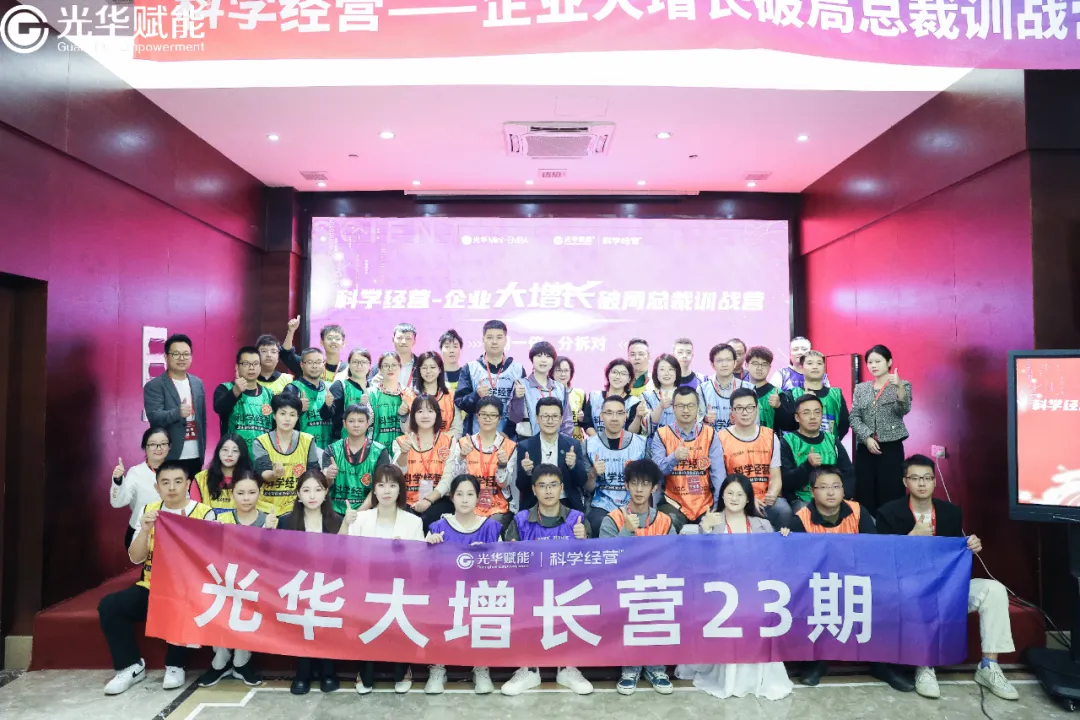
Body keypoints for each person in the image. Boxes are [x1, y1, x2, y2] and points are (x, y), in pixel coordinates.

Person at [876, 455, 1020, 701]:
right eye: (915, 478)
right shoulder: (888, 513)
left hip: (946, 588)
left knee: (993, 590)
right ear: (905, 482)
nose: (922, 483)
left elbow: (954, 556)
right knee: (916, 592)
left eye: (927, 478)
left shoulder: (950, 512)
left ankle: (989, 666)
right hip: (907, 591)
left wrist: (970, 545)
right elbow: (883, 563)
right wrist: (911, 538)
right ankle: (924, 665)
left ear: (935, 481)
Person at [790, 466, 913, 692]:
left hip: (857, 578)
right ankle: (816, 662)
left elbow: (872, 549)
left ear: (843, 489)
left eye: (836, 486)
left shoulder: (857, 511)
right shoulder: (800, 519)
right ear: (812, 491)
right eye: (823, 487)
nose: (831, 492)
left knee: (886, 594)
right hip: (820, 583)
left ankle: (882, 664)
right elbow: (797, 563)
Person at [98, 461, 214, 695]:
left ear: (188, 484)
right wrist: (144, 530)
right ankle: (130, 666)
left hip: (187, 589)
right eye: (165, 482)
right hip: (152, 585)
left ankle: (175, 664)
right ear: (157, 487)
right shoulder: (148, 511)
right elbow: (135, 557)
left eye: (178, 482)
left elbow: (210, 560)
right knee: (110, 606)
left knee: (181, 603)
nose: (172, 487)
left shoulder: (204, 513)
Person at [676, 474, 794, 700]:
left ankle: (757, 679)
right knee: (734, 613)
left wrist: (783, 538)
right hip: (721, 592)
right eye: (729, 493)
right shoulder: (712, 521)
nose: (734, 498)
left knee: (758, 612)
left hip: (755, 590)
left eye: (740, 494)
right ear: (722, 495)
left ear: (748, 498)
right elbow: (698, 559)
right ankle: (729, 678)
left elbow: (772, 558)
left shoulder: (762, 524)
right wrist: (705, 530)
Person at [500, 464, 593, 696]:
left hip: (567, 590)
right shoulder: (521, 520)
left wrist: (584, 540)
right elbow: (508, 565)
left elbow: (592, 564)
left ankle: (568, 667)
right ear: (534, 490)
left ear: (561, 488)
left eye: (553, 485)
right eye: (542, 486)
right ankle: (529, 669)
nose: (548, 491)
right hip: (530, 591)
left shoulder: (578, 520)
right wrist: (512, 552)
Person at [598, 459, 676, 696]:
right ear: (626, 486)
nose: (639, 489)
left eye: (645, 484)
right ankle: (630, 668)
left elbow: (673, 559)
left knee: (661, 601)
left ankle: (656, 667)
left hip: (656, 586)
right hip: (622, 586)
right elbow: (606, 561)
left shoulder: (665, 521)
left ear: (654, 487)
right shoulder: (612, 519)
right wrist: (626, 531)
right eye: (634, 483)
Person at [346, 464, 424, 694]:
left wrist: (403, 553)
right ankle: (364, 670)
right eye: (381, 485)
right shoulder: (360, 519)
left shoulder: (413, 522)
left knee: (401, 612)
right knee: (366, 613)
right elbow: (350, 557)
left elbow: (420, 565)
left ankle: (402, 668)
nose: (386, 491)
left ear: (400, 489)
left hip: (401, 587)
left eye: (392, 485)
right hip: (367, 587)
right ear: (374, 490)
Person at [424, 475, 502, 695]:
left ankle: (481, 666)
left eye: (470, 494)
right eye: (459, 494)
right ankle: (438, 667)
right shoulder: (438, 527)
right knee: (438, 611)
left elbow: (502, 568)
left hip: (479, 593)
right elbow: (424, 567)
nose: (465, 499)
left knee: (484, 612)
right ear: (452, 497)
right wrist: (429, 546)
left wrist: (487, 555)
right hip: (446, 593)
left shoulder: (491, 527)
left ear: (478, 497)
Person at [198, 470, 274, 689]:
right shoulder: (221, 520)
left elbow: (274, 560)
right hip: (226, 582)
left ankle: (242, 662)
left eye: (252, 492)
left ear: (260, 493)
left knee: (249, 601)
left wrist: (270, 533)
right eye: (240, 493)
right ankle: (220, 661)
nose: (246, 498)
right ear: (232, 494)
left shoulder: (269, 520)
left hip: (257, 584)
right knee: (219, 598)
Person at [277, 470, 347, 695]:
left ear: (326, 493)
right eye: (306, 490)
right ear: (298, 494)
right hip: (298, 587)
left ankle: (328, 671)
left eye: (318, 489)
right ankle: (303, 673)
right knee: (303, 622)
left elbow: (345, 558)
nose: (312, 495)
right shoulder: (286, 522)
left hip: (329, 587)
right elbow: (276, 559)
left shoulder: (337, 521)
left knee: (326, 621)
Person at [651, 386, 724, 533]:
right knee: (666, 525)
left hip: (705, 501)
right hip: (673, 501)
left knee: (718, 527)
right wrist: (674, 457)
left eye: (690, 406)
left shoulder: (710, 434)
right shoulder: (662, 434)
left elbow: (718, 473)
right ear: (673, 408)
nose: (686, 410)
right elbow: (656, 472)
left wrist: (718, 506)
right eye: (680, 406)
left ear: (698, 408)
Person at [850, 344, 912, 513]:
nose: (873, 365)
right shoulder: (861, 388)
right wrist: (867, 437)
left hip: (891, 447)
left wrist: (899, 387)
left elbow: (903, 410)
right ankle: (867, 525)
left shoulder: (903, 385)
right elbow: (854, 417)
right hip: (866, 448)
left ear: (889, 362)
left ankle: (890, 525)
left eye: (878, 361)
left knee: (891, 491)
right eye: (870, 362)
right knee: (865, 492)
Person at [718, 388, 791, 530]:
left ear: (757, 409)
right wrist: (749, 499)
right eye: (739, 408)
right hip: (736, 497)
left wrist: (772, 494)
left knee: (783, 511)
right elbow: (721, 479)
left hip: (765, 498)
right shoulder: (721, 438)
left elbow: (776, 476)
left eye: (750, 407)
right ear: (732, 411)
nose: (745, 412)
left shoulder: (770, 436)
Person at [443, 397, 518, 531]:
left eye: (492, 415)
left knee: (491, 527)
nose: (487, 419)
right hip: (468, 504)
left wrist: (502, 465)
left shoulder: (510, 447)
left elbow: (504, 484)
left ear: (499, 418)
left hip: (498, 506)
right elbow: (455, 480)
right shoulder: (464, 443)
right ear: (477, 416)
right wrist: (461, 457)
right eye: (483, 414)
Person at [143, 333, 206, 478]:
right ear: (166, 357)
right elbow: (154, 417)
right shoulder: (155, 386)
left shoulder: (197, 383)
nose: (182, 358)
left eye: (186, 354)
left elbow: (202, 420)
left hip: (196, 454)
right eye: (176, 354)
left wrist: (202, 450)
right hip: (170, 454)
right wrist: (177, 413)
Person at [584, 396, 648, 537]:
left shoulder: (641, 443)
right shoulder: (590, 445)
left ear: (625, 416)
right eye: (609, 413)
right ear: (601, 416)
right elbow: (587, 489)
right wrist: (593, 474)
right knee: (597, 523)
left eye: (619, 413)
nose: (614, 418)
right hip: (602, 504)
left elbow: (650, 481)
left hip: (635, 502)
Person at [779, 394, 855, 512]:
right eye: (806, 413)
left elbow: (848, 473)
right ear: (797, 417)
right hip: (803, 500)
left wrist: (843, 496)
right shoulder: (788, 442)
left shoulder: (832, 440)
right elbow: (786, 481)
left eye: (817, 412)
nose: (813, 417)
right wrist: (807, 466)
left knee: (861, 515)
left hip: (834, 498)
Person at [251, 394, 322, 517]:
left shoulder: (308, 440)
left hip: (297, 506)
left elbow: (313, 473)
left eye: (292, 414)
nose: (287, 419)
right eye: (283, 414)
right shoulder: (261, 442)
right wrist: (274, 474)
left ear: (297, 417)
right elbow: (263, 472)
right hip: (266, 507)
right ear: (274, 415)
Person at [454, 320, 527, 437]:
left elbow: (523, 409)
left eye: (499, 337)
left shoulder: (518, 369)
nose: (494, 342)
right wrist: (476, 395)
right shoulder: (470, 368)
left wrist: (507, 432)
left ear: (505, 340)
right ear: (483, 339)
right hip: (476, 437)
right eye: (489, 337)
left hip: (508, 437)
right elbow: (460, 402)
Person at [516, 397, 589, 513]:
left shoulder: (573, 445)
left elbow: (582, 482)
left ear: (561, 419)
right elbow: (521, 486)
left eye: (555, 416)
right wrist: (527, 472)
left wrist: (573, 466)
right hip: (535, 504)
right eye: (545, 416)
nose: (550, 421)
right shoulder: (525, 446)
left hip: (566, 502)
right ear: (537, 419)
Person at [393, 395, 456, 522]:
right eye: (420, 411)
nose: (425, 416)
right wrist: (403, 454)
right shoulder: (401, 441)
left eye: (430, 411)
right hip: (407, 500)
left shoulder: (449, 441)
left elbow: (448, 478)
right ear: (413, 415)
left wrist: (428, 500)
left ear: (437, 415)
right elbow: (395, 475)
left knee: (429, 518)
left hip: (438, 499)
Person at [321, 404, 389, 515]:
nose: (356, 425)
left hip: (367, 513)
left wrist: (359, 513)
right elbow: (324, 486)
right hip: (335, 512)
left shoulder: (380, 451)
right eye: (351, 421)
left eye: (361, 421)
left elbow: (380, 486)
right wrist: (328, 477)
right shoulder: (331, 450)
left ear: (368, 423)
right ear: (344, 424)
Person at [110, 427, 170, 549]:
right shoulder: (136, 472)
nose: (159, 448)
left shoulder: (176, 471)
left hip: (168, 532)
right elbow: (117, 502)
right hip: (140, 531)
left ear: (169, 447)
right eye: (153, 444)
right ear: (144, 447)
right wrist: (118, 480)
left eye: (163, 444)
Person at [212, 346, 275, 454]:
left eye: (255, 364)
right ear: (237, 367)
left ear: (260, 367)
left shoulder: (269, 395)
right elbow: (219, 408)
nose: (251, 368)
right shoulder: (225, 388)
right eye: (246, 364)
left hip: (262, 457)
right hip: (233, 456)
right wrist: (235, 392)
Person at [776, 350, 849, 440]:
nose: (815, 367)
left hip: (829, 447)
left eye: (819, 363)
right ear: (802, 369)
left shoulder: (836, 394)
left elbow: (844, 425)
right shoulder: (792, 394)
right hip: (800, 447)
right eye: (810, 363)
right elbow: (787, 425)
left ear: (824, 368)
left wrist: (831, 442)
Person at [512, 341, 573, 439]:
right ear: (532, 359)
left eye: (548, 356)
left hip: (555, 442)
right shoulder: (521, 385)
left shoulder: (560, 388)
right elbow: (515, 418)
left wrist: (562, 441)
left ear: (553, 361)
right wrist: (517, 398)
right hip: (527, 441)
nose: (543, 360)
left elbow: (567, 420)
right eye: (539, 356)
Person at [189, 433, 262, 511]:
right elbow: (195, 511)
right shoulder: (201, 478)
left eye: (235, 451)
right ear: (218, 451)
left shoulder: (252, 479)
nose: (229, 454)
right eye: (225, 450)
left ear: (242, 454)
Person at [281, 348, 335, 450]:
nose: (314, 366)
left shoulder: (329, 388)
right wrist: (298, 409)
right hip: (300, 450)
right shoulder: (292, 389)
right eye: (310, 362)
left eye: (318, 362)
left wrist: (329, 406)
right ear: (302, 365)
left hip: (327, 450)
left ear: (323, 364)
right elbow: (282, 422)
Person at [698, 343, 754, 433]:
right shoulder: (702, 390)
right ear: (712, 364)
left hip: (739, 439)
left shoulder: (748, 389)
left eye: (728, 360)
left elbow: (755, 422)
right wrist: (705, 419)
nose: (724, 364)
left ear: (735, 363)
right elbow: (695, 423)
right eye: (719, 360)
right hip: (711, 439)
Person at [401, 350, 460, 436]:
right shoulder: (409, 395)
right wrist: (403, 416)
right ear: (419, 370)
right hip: (417, 443)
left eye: (432, 367)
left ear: (440, 369)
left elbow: (457, 429)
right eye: (424, 368)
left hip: (445, 443)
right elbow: (406, 431)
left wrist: (438, 441)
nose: (428, 371)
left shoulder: (451, 396)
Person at [582, 359, 644, 438]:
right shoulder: (594, 397)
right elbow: (587, 424)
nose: (617, 377)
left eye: (623, 374)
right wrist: (599, 441)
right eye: (614, 372)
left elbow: (633, 432)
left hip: (623, 444)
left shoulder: (633, 402)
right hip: (596, 443)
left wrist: (638, 417)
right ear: (608, 374)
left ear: (629, 379)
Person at [281, 316, 344, 381]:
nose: (333, 341)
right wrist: (291, 331)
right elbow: (286, 354)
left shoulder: (348, 370)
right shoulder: (309, 366)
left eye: (337, 338)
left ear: (343, 343)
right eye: (329, 338)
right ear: (321, 342)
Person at [366, 351, 407, 449]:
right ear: (380, 369)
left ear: (400, 367)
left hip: (402, 450)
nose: (390, 369)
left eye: (394, 365)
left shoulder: (408, 394)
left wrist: (405, 416)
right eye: (386, 365)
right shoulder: (370, 394)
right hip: (376, 450)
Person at [328, 348, 372, 436]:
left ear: (369, 365)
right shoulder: (340, 386)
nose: (359, 366)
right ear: (349, 364)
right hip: (343, 440)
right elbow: (327, 416)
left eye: (363, 362)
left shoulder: (374, 388)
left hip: (370, 440)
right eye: (355, 362)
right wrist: (327, 406)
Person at [641, 354, 682, 438]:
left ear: (677, 372)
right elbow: (647, 428)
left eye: (671, 369)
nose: (667, 373)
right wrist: (660, 407)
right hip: (654, 444)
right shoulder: (646, 397)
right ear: (656, 372)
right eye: (662, 369)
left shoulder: (686, 396)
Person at [745, 346, 781, 430]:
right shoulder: (738, 391)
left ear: (770, 367)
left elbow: (787, 425)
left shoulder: (778, 394)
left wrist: (779, 407)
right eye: (755, 363)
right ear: (746, 365)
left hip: (769, 437)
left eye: (764, 364)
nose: (759, 368)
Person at [553, 356, 587, 441]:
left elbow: (587, 423)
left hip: (577, 441)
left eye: (566, 370)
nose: (563, 374)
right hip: (553, 441)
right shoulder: (547, 393)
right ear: (551, 372)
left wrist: (582, 419)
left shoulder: (580, 393)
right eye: (559, 370)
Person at [439, 329, 465, 394]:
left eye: (455, 346)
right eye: (447, 346)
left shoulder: (466, 375)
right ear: (441, 350)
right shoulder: (436, 375)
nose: (451, 351)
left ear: (460, 349)